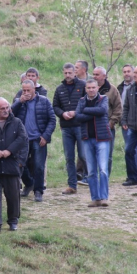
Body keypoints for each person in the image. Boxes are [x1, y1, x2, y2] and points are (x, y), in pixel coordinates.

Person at [0, 98, 28, 232]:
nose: (5, 110)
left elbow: (22, 138)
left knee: (13, 196)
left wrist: (9, 151)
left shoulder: (17, 122)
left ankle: (13, 221)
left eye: (7, 107)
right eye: (2, 108)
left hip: (11, 165)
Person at [12, 79, 56, 202]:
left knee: (39, 166)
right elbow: (9, 115)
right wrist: (19, 102)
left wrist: (46, 136)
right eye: (23, 90)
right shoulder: (19, 102)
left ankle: (38, 191)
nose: (26, 93)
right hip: (23, 140)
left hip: (38, 139)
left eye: (28, 90)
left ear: (34, 90)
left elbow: (52, 120)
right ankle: (29, 183)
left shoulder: (44, 101)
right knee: (20, 164)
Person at [75, 80, 112, 207]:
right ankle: (95, 198)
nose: (91, 90)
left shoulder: (103, 99)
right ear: (85, 89)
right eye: (89, 87)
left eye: (93, 87)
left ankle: (104, 197)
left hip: (102, 139)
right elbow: (77, 117)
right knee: (91, 172)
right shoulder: (81, 101)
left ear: (97, 88)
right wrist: (92, 113)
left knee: (103, 170)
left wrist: (85, 110)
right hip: (87, 139)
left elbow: (102, 111)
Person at [52, 63, 86, 195]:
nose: (67, 75)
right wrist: (62, 114)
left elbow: (86, 103)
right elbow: (55, 106)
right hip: (66, 128)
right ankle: (72, 185)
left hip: (80, 125)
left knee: (83, 155)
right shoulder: (59, 88)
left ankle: (91, 179)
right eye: (65, 73)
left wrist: (75, 112)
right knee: (69, 157)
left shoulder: (83, 86)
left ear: (75, 73)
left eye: (70, 73)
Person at [94, 66, 122, 176]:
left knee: (107, 154)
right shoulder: (89, 88)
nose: (94, 76)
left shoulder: (112, 90)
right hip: (92, 127)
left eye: (97, 74)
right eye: (94, 74)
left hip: (107, 128)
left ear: (104, 76)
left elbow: (118, 108)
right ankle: (92, 177)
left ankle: (105, 176)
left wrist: (111, 122)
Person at [117, 64, 137, 183]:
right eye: (124, 71)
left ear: (133, 73)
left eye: (129, 71)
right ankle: (132, 175)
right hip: (124, 122)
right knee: (129, 150)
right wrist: (122, 121)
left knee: (134, 149)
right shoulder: (120, 87)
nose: (126, 73)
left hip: (136, 123)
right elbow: (120, 106)